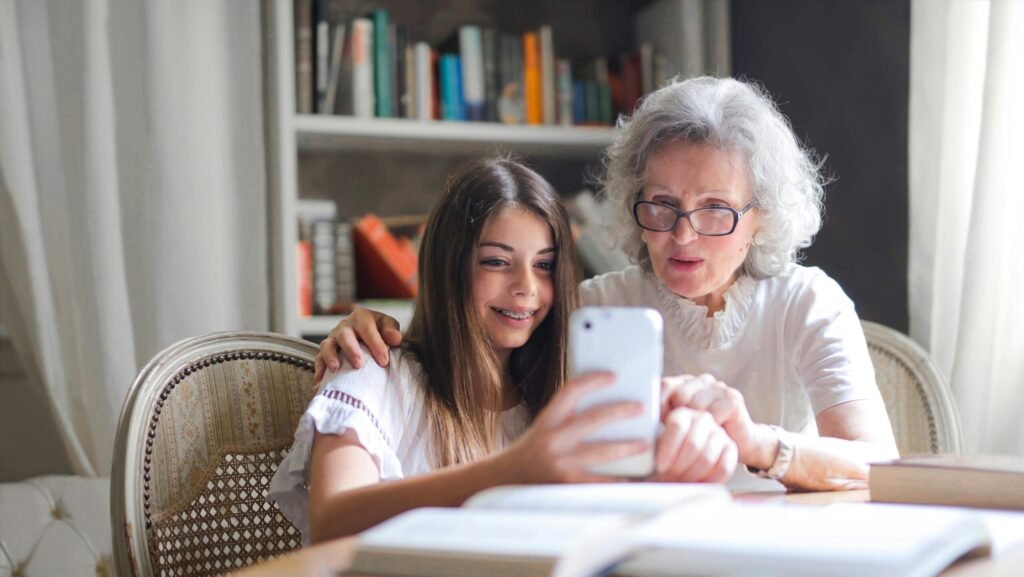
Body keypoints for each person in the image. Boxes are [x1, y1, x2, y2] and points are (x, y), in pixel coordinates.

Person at [315, 77, 901, 492]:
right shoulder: (590, 309)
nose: (683, 236)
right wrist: (370, 328)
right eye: (662, 205)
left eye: (716, 210)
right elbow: (472, 352)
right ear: (632, 201)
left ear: (761, 218)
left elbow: (878, 464)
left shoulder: (807, 301)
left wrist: (756, 443)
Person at [269, 157, 737, 544]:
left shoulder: (557, 393)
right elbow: (332, 520)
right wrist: (515, 469)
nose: (526, 289)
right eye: (496, 262)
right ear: (448, 266)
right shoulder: (373, 369)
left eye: (545, 266)